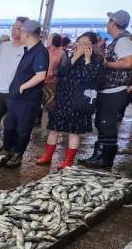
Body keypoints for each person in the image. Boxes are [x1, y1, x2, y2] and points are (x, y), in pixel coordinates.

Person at [37, 32, 104, 169]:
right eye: (80, 43)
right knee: (54, 129)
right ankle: (47, 156)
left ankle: (68, 160)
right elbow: (60, 72)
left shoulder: (97, 60)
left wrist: (88, 59)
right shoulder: (72, 56)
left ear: (93, 45)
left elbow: (88, 76)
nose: (82, 47)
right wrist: (74, 58)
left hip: (80, 100)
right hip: (63, 97)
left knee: (74, 132)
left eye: (85, 44)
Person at [80, 10, 132, 167]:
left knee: (106, 123)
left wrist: (105, 64)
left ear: (113, 23)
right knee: (102, 123)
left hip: (114, 90)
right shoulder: (118, 40)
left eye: (109, 20)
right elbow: (110, 59)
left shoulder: (123, 40)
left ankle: (105, 159)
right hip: (109, 89)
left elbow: (128, 62)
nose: (107, 23)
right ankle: (98, 155)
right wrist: (102, 49)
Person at [0, 20, 49, 168]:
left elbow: (41, 75)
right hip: (17, 98)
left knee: (23, 128)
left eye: (20, 31)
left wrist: (23, 87)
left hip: (28, 99)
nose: (19, 34)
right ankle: (6, 149)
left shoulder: (39, 51)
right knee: (9, 123)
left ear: (26, 33)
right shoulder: (29, 49)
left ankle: (18, 155)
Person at [0, 17, 29, 147]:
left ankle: (9, 149)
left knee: (12, 122)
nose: (14, 30)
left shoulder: (28, 49)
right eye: (13, 27)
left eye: (18, 28)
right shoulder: (4, 46)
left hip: (15, 92)